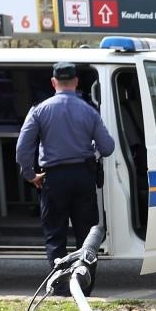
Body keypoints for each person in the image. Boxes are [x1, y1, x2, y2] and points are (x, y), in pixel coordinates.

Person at [16, 62, 117, 274]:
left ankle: (60, 289)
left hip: (53, 179)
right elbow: (107, 147)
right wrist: (93, 152)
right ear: (76, 82)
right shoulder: (90, 112)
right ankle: (85, 285)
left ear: (54, 83)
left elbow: (23, 148)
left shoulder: (39, 110)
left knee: (55, 235)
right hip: (83, 176)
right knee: (86, 237)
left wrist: (30, 175)